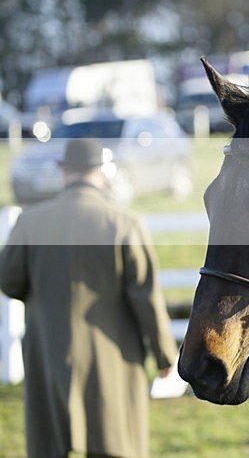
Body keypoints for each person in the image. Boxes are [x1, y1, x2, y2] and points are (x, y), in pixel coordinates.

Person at [0, 138, 178, 458]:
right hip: (112, 355)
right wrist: (164, 355)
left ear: (65, 173)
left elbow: (9, 282)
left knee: (49, 445)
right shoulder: (125, 223)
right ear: (102, 174)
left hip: (48, 351)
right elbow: (145, 296)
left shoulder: (31, 222)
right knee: (113, 441)